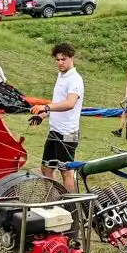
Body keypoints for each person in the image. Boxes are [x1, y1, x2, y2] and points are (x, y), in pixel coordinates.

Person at [30, 43, 84, 193]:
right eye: (57, 59)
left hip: (68, 134)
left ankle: (73, 206)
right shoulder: (61, 76)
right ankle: (57, 198)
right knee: (46, 168)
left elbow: (69, 103)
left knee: (66, 172)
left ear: (71, 58)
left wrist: (46, 107)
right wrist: (42, 115)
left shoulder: (75, 79)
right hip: (55, 131)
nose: (60, 62)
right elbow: (57, 103)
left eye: (63, 59)